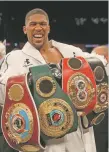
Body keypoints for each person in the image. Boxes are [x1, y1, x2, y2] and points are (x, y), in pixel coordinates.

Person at [0, 8, 108, 152]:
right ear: (25, 29)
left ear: (48, 27)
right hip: (45, 135)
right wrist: (31, 82)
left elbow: (101, 65)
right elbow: (4, 94)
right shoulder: (15, 58)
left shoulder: (69, 51)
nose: (38, 28)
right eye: (33, 24)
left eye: (42, 24)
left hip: (77, 131)